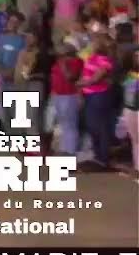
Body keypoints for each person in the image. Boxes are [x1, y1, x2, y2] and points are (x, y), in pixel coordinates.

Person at [79, 32, 115, 170]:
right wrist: (81, 85)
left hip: (100, 95)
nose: (91, 44)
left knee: (101, 127)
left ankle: (103, 157)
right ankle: (97, 154)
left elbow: (96, 78)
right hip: (89, 95)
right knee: (91, 126)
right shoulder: (91, 58)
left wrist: (78, 84)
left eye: (94, 42)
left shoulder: (105, 60)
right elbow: (85, 74)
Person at [49, 41, 83, 156]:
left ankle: (71, 150)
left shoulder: (76, 61)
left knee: (70, 124)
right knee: (63, 123)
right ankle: (65, 148)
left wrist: (64, 64)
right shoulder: (58, 62)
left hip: (69, 95)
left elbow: (70, 77)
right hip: (58, 95)